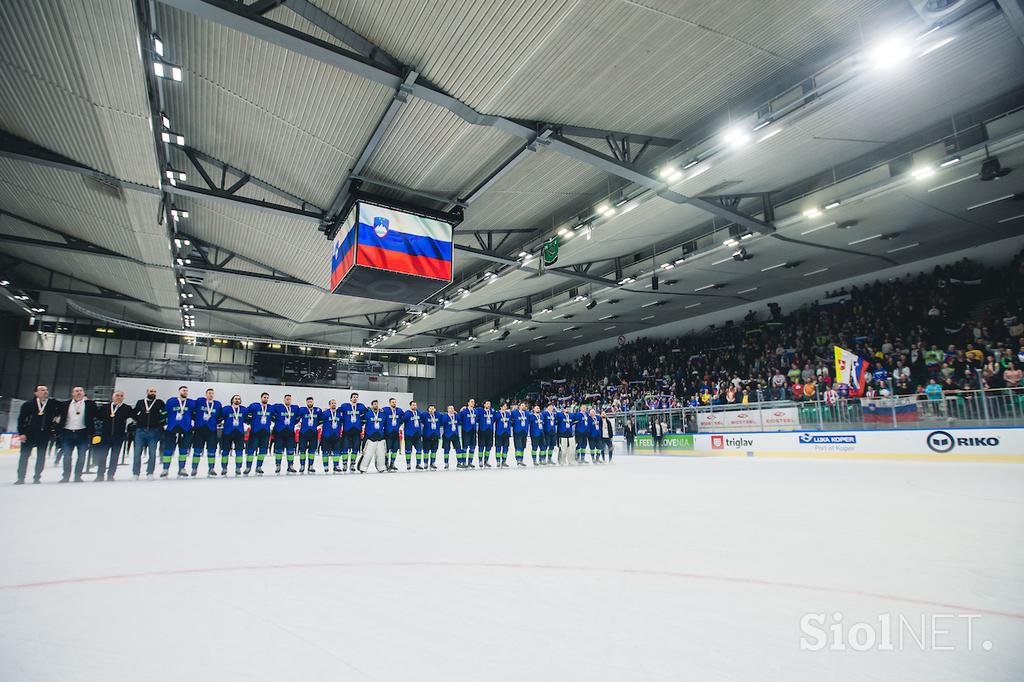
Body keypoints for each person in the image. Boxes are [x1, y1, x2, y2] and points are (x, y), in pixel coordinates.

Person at [16, 385, 59, 484]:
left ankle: (37, 477)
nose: (45, 392)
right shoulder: (28, 404)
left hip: (44, 434)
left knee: (41, 456)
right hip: (29, 434)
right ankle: (20, 477)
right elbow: (21, 419)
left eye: (46, 390)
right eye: (42, 390)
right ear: (36, 393)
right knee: (24, 456)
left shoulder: (52, 404)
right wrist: (22, 433)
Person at [57, 386, 97, 483]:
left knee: (82, 455)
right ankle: (65, 476)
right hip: (67, 432)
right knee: (67, 455)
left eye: (80, 391)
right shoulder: (65, 404)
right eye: (76, 391)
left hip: (82, 433)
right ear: (72, 393)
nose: (79, 392)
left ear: (84, 393)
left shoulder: (90, 404)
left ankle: (78, 476)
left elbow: (97, 414)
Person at [94, 390, 131, 481]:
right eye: (117, 395)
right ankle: (100, 474)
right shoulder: (105, 407)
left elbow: (134, 416)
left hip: (118, 436)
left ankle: (111, 474)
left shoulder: (126, 408)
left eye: (121, 396)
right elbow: (98, 417)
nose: (119, 397)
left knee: (115, 456)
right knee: (102, 456)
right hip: (105, 435)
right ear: (113, 397)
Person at [132, 387, 164, 480]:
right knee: (137, 453)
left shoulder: (159, 402)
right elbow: (134, 412)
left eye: (154, 391)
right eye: (151, 391)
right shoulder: (140, 402)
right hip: (140, 431)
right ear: (147, 392)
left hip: (153, 431)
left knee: (152, 453)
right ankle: (136, 473)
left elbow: (165, 412)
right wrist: (139, 420)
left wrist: (159, 421)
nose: (153, 393)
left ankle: (150, 473)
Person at [162, 386, 194, 478]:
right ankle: (165, 469)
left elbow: (195, 414)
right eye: (183, 390)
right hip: (172, 428)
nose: (185, 392)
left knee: (183, 450)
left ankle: (182, 468)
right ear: (179, 391)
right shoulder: (171, 401)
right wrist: (164, 424)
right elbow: (164, 412)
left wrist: (192, 423)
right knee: (168, 449)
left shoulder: (191, 402)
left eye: (186, 391)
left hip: (186, 428)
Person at [190, 388, 222, 477]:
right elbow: (192, 412)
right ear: (206, 394)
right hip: (199, 429)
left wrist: (215, 423)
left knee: (212, 451)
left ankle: (211, 469)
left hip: (211, 430)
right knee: (197, 450)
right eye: (209, 393)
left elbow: (220, 416)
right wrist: (196, 420)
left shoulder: (217, 404)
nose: (211, 395)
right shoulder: (199, 401)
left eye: (212, 393)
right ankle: (194, 468)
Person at [245, 393, 273, 475]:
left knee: (263, 450)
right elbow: (245, 413)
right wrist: (249, 421)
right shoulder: (254, 406)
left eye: (267, 397)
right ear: (261, 398)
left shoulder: (270, 408)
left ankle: (259, 467)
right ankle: (248, 467)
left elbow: (275, 416)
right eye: (264, 397)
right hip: (255, 431)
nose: (266, 399)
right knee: (251, 450)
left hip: (265, 432)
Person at [357, 400, 387, 473]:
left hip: (380, 436)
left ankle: (381, 468)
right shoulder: (367, 413)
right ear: (372, 405)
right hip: (369, 436)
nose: (376, 405)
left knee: (381, 454)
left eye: (377, 404)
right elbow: (360, 419)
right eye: (374, 404)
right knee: (367, 454)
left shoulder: (383, 414)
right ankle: (362, 468)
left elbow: (386, 423)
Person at [220, 395, 246, 476]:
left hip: (239, 432)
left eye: (239, 399)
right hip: (227, 432)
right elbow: (220, 417)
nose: (237, 400)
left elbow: (247, 418)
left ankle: (238, 468)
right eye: (236, 398)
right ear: (232, 400)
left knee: (239, 451)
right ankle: (224, 468)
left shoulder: (243, 409)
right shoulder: (226, 409)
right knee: (225, 451)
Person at [271, 394, 297, 474]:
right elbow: (270, 414)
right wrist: (276, 421)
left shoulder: (294, 408)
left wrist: (292, 423)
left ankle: (290, 465)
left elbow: (297, 418)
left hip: (290, 432)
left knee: (290, 450)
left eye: (289, 399)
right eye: (287, 399)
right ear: (284, 400)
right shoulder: (278, 407)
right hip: (280, 432)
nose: (288, 400)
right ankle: (278, 465)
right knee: (278, 450)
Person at [340, 393, 365, 473]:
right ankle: (344, 463)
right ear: (350, 398)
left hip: (357, 431)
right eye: (354, 397)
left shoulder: (360, 406)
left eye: (357, 397)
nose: (355, 398)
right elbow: (337, 411)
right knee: (345, 448)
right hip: (347, 430)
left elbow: (368, 412)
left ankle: (352, 464)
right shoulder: (345, 406)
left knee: (355, 448)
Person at [297, 396, 321, 474]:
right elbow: (296, 417)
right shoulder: (302, 410)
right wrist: (299, 423)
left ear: (313, 402)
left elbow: (321, 419)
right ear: (306, 402)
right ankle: (302, 465)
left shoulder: (317, 410)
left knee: (312, 450)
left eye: (311, 402)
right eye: (308, 402)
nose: (310, 403)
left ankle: (311, 465)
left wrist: (317, 425)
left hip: (313, 432)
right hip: (303, 432)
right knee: (303, 450)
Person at [320, 399, 342, 473]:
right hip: (326, 435)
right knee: (325, 452)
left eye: (335, 403)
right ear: (329, 405)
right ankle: (326, 466)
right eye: (332, 403)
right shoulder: (325, 413)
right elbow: (319, 420)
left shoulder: (339, 414)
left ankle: (336, 466)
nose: (334, 404)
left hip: (336, 435)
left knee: (336, 452)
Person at [382, 397, 403, 472]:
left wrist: (398, 425)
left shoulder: (399, 410)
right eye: (392, 402)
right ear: (390, 403)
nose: (394, 403)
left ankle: (392, 463)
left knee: (395, 449)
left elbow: (402, 419)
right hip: (388, 432)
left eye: (395, 402)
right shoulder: (385, 410)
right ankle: (386, 463)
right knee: (387, 449)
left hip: (395, 432)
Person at [402, 401, 423, 470]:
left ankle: (418, 464)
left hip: (417, 435)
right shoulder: (407, 413)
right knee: (408, 451)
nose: (414, 406)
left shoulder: (419, 413)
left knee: (419, 450)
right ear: (410, 406)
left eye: (415, 405)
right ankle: (408, 464)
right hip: (409, 435)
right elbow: (402, 421)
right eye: (413, 405)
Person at [440, 405, 462, 469]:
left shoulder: (456, 416)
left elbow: (460, 420)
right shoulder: (445, 416)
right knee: (446, 450)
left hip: (455, 435)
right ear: (447, 410)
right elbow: (442, 423)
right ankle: (446, 463)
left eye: (452, 408)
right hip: (447, 435)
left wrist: (458, 412)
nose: (452, 409)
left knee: (458, 449)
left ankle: (459, 462)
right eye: (450, 408)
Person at [459, 399, 479, 468]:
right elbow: (459, 419)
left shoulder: (476, 411)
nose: (473, 403)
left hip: (473, 431)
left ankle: (470, 462)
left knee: (472, 447)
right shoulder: (464, 411)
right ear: (468, 403)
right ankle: (464, 462)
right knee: (465, 447)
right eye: (471, 402)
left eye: (473, 402)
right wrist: (460, 411)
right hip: (466, 431)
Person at [422, 405, 441, 470]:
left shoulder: (438, 415)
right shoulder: (424, 415)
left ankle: (433, 463)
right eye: (430, 408)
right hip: (427, 435)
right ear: (428, 409)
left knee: (434, 451)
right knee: (426, 451)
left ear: (435, 409)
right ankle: (425, 463)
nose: (431, 410)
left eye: (433, 409)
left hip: (435, 435)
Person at [477, 400, 495, 468]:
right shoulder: (480, 411)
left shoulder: (492, 411)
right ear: (484, 405)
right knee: (481, 447)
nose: (489, 405)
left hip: (490, 431)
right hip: (482, 431)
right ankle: (480, 460)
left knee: (488, 447)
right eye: (487, 404)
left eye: (489, 404)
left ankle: (486, 460)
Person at [511, 402, 530, 466]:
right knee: (518, 446)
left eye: (524, 406)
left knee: (523, 446)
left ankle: (521, 459)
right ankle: (518, 459)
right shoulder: (514, 412)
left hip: (524, 431)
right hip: (517, 431)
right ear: (519, 406)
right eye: (522, 405)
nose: (523, 406)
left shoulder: (527, 413)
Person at [495, 403, 512, 468]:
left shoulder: (508, 414)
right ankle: (498, 461)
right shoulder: (497, 414)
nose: (506, 407)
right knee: (498, 448)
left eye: (506, 406)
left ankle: (504, 461)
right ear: (501, 407)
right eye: (504, 406)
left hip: (506, 433)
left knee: (506, 448)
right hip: (499, 433)